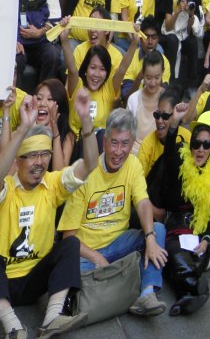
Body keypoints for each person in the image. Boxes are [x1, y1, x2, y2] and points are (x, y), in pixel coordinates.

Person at [0, 93, 99, 338]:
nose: (39, 162)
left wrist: (86, 122)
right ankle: (13, 328)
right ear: (17, 160)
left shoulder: (52, 184)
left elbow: (90, 164)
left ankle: (52, 317)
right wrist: (23, 129)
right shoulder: (4, 187)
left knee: (70, 244)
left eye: (45, 154)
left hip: (32, 282)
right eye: (31, 155)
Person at [58, 108, 169, 316]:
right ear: (104, 142)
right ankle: (120, 278)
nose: (119, 152)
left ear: (133, 142)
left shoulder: (133, 164)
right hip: (87, 252)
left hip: (119, 243)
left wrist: (150, 237)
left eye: (125, 143)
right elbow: (68, 238)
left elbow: (143, 202)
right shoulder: (84, 172)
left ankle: (147, 293)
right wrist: (97, 257)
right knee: (66, 268)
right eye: (114, 143)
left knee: (158, 230)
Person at [159, 110, 210, 314]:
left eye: (206, 144)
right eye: (196, 143)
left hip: (197, 230)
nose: (200, 149)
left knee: (177, 265)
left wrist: (206, 239)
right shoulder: (180, 159)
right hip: (176, 225)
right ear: (191, 143)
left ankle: (186, 296)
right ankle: (195, 287)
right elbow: (168, 150)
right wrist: (175, 123)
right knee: (175, 255)